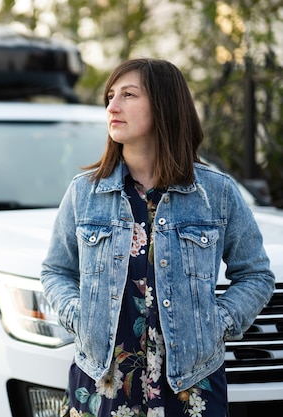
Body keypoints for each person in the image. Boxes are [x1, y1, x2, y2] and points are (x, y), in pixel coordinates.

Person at [40, 58, 275, 417]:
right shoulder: (84, 193)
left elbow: (256, 275)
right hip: (103, 380)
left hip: (190, 383)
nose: (112, 106)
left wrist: (218, 323)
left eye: (128, 95)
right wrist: (79, 315)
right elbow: (56, 271)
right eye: (110, 96)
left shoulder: (217, 193)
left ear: (164, 106)